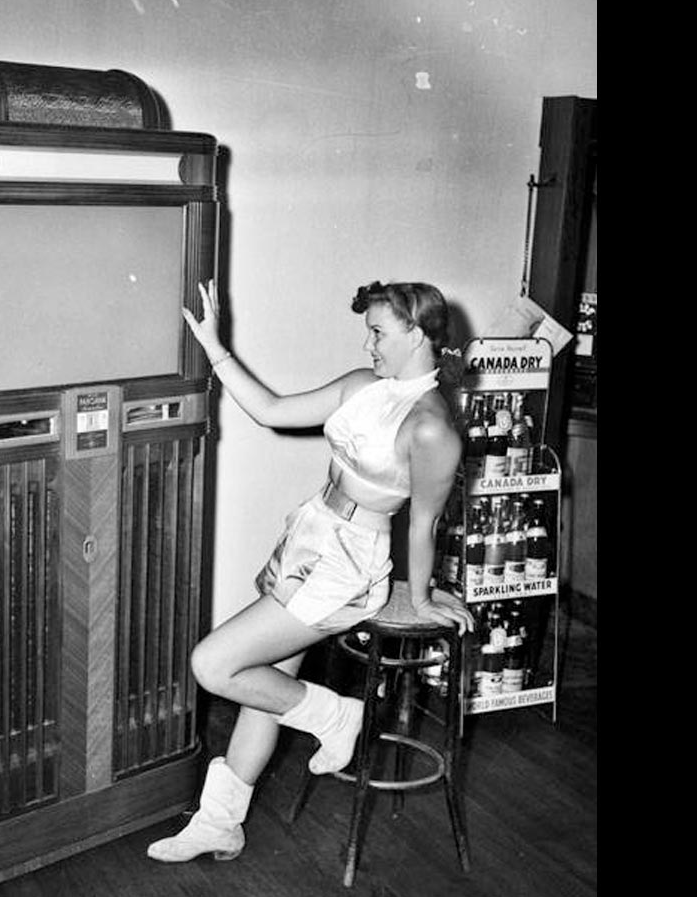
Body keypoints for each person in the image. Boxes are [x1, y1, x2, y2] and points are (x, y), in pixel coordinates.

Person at [148, 278, 476, 864]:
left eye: (378, 331)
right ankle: (220, 823)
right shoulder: (362, 387)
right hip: (310, 537)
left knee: (213, 663)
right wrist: (215, 347)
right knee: (265, 683)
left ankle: (336, 714)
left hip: (349, 567)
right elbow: (273, 410)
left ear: (418, 332)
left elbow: (423, 525)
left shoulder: (432, 428)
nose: (368, 344)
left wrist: (422, 599)